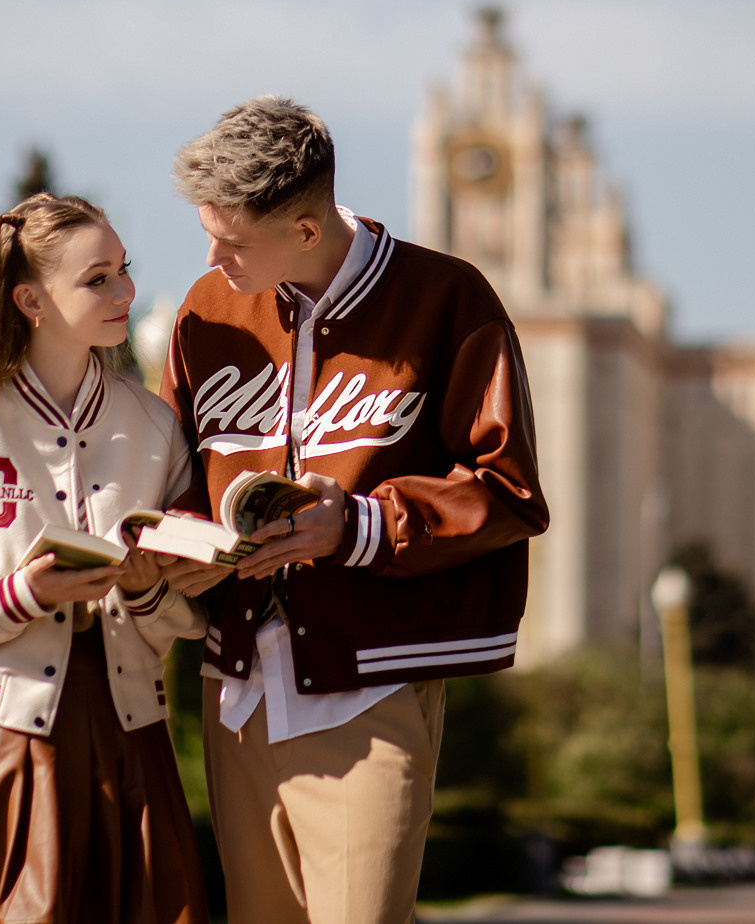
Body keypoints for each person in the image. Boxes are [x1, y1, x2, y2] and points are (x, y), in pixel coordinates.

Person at [157, 97, 548, 924]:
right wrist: (176, 542)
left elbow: (509, 490)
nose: (212, 258)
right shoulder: (204, 311)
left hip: (372, 685)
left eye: (233, 242)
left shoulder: (447, 299)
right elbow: (177, 473)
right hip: (235, 693)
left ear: (306, 229)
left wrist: (360, 525)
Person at [0, 194, 208, 924]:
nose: (126, 292)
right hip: (10, 736)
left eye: (125, 270)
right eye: (98, 279)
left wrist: (147, 591)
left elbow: (195, 611)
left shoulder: (155, 425)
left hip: (135, 732)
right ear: (30, 300)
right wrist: (21, 592)